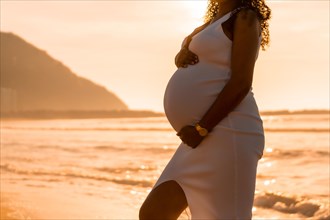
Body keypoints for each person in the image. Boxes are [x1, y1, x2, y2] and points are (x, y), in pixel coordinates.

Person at [139, 0, 271, 219]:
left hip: (229, 132)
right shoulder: (212, 21)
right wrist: (181, 54)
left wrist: (202, 128)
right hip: (201, 137)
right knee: (154, 213)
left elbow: (241, 82)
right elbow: (200, 55)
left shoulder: (245, 17)